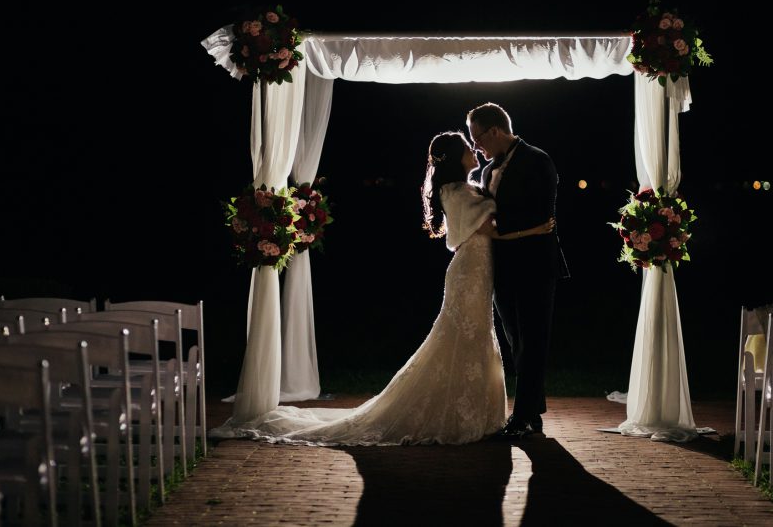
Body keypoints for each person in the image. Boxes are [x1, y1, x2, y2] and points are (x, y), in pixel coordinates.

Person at [209, 132, 553, 445]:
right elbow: (492, 231)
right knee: (464, 338)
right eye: (468, 148)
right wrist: (535, 230)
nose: (474, 151)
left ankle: (472, 409)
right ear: (456, 156)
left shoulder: (462, 189)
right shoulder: (459, 192)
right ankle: (458, 412)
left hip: (476, 271)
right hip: (470, 274)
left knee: (472, 338)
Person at [467, 103, 567, 440]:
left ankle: (522, 416)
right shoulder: (486, 172)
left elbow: (541, 213)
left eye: (476, 137)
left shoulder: (538, 160)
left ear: (494, 130)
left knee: (533, 341)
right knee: (516, 342)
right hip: (503, 267)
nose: (475, 145)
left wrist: (500, 230)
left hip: (536, 265)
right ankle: (531, 413)